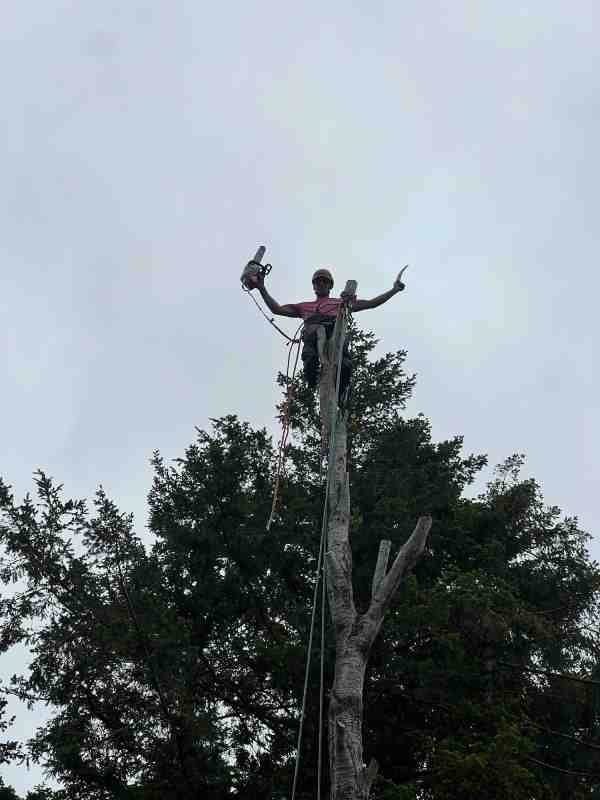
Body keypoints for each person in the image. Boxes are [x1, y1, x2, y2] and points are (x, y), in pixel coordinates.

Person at [249, 267, 406, 393]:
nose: (321, 284)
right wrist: (261, 288)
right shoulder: (304, 307)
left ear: (330, 285)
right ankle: (313, 382)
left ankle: (340, 394)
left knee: (344, 366)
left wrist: (394, 290)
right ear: (314, 286)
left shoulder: (341, 303)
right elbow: (276, 309)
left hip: (335, 336)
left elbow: (372, 303)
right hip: (312, 337)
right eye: (318, 282)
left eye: (325, 281)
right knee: (310, 359)